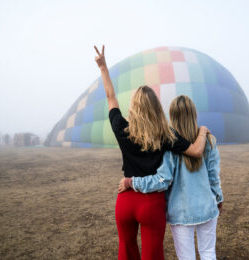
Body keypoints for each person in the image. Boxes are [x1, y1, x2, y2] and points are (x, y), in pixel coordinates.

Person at [94, 45, 209, 260]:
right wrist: (202, 131)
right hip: (151, 203)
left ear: (133, 108)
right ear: (156, 107)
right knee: (152, 254)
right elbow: (196, 151)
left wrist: (103, 68)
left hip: (126, 200)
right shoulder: (166, 135)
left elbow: (110, 97)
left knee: (126, 251)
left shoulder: (121, 128)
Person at [118, 95, 223, 260]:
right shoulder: (209, 141)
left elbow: (162, 180)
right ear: (194, 114)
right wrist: (218, 199)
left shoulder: (169, 145)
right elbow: (213, 176)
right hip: (207, 207)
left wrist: (132, 181)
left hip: (180, 213)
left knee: (186, 257)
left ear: (172, 116)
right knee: (208, 252)